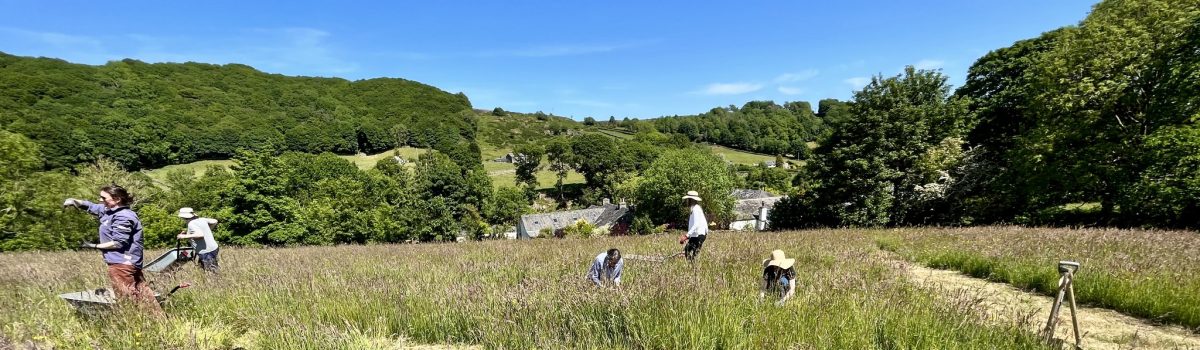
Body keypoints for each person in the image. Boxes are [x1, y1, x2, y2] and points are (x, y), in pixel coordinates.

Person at [64, 184, 163, 316]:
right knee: (143, 293)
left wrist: (93, 246)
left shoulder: (123, 216)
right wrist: (75, 201)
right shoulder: (109, 211)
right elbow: (92, 206)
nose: (100, 200)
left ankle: (135, 321)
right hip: (127, 262)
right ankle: (158, 320)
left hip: (122, 263)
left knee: (127, 296)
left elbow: (118, 243)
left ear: (117, 199)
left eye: (104, 198)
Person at [175, 207, 220, 273]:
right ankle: (206, 281)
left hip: (206, 251)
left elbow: (200, 235)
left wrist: (184, 236)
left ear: (183, 217)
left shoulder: (191, 224)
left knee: (212, 271)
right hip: (213, 248)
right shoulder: (201, 219)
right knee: (202, 268)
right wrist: (208, 230)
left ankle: (216, 281)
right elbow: (215, 221)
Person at [681, 190, 708, 261]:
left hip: (699, 235)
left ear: (690, 200)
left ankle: (693, 268)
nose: (687, 201)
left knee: (692, 254)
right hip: (697, 235)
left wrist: (686, 235)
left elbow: (696, 224)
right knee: (688, 251)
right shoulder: (695, 208)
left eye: (688, 199)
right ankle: (691, 267)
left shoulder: (696, 209)